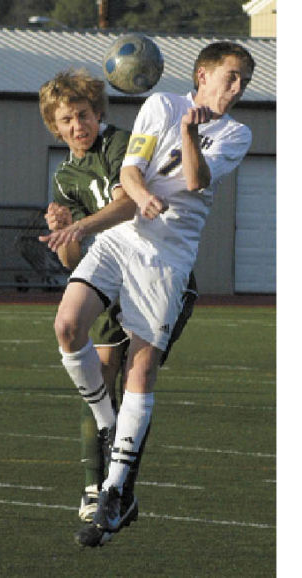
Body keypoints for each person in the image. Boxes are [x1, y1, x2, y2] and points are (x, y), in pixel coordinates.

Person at [40, 40, 254, 548]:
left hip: (169, 257)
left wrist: (190, 135)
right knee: (67, 325)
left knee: (140, 367)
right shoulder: (159, 104)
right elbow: (132, 171)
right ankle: (106, 422)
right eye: (230, 76)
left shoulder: (238, 133)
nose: (237, 88)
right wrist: (139, 197)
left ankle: (115, 493)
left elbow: (198, 181)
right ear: (203, 74)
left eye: (243, 81)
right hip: (121, 239)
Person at [38, 69, 198, 545]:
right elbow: (72, 259)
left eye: (82, 115)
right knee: (96, 379)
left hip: (155, 270)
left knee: (132, 381)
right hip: (107, 276)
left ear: (97, 112)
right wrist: (65, 228)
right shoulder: (65, 175)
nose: (76, 126)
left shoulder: (121, 144)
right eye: (66, 120)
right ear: (55, 126)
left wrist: (83, 226)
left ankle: (115, 490)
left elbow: (128, 203)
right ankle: (98, 489)